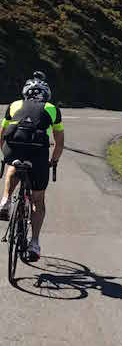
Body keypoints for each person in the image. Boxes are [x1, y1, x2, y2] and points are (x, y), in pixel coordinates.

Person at [0, 71, 65, 261]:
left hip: (14, 149)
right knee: (38, 201)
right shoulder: (52, 109)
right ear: (46, 95)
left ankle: (5, 200)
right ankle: (34, 243)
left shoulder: (14, 105)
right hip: (37, 155)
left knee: (14, 165)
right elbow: (59, 142)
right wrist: (53, 161)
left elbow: (2, 134)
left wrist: (5, 157)